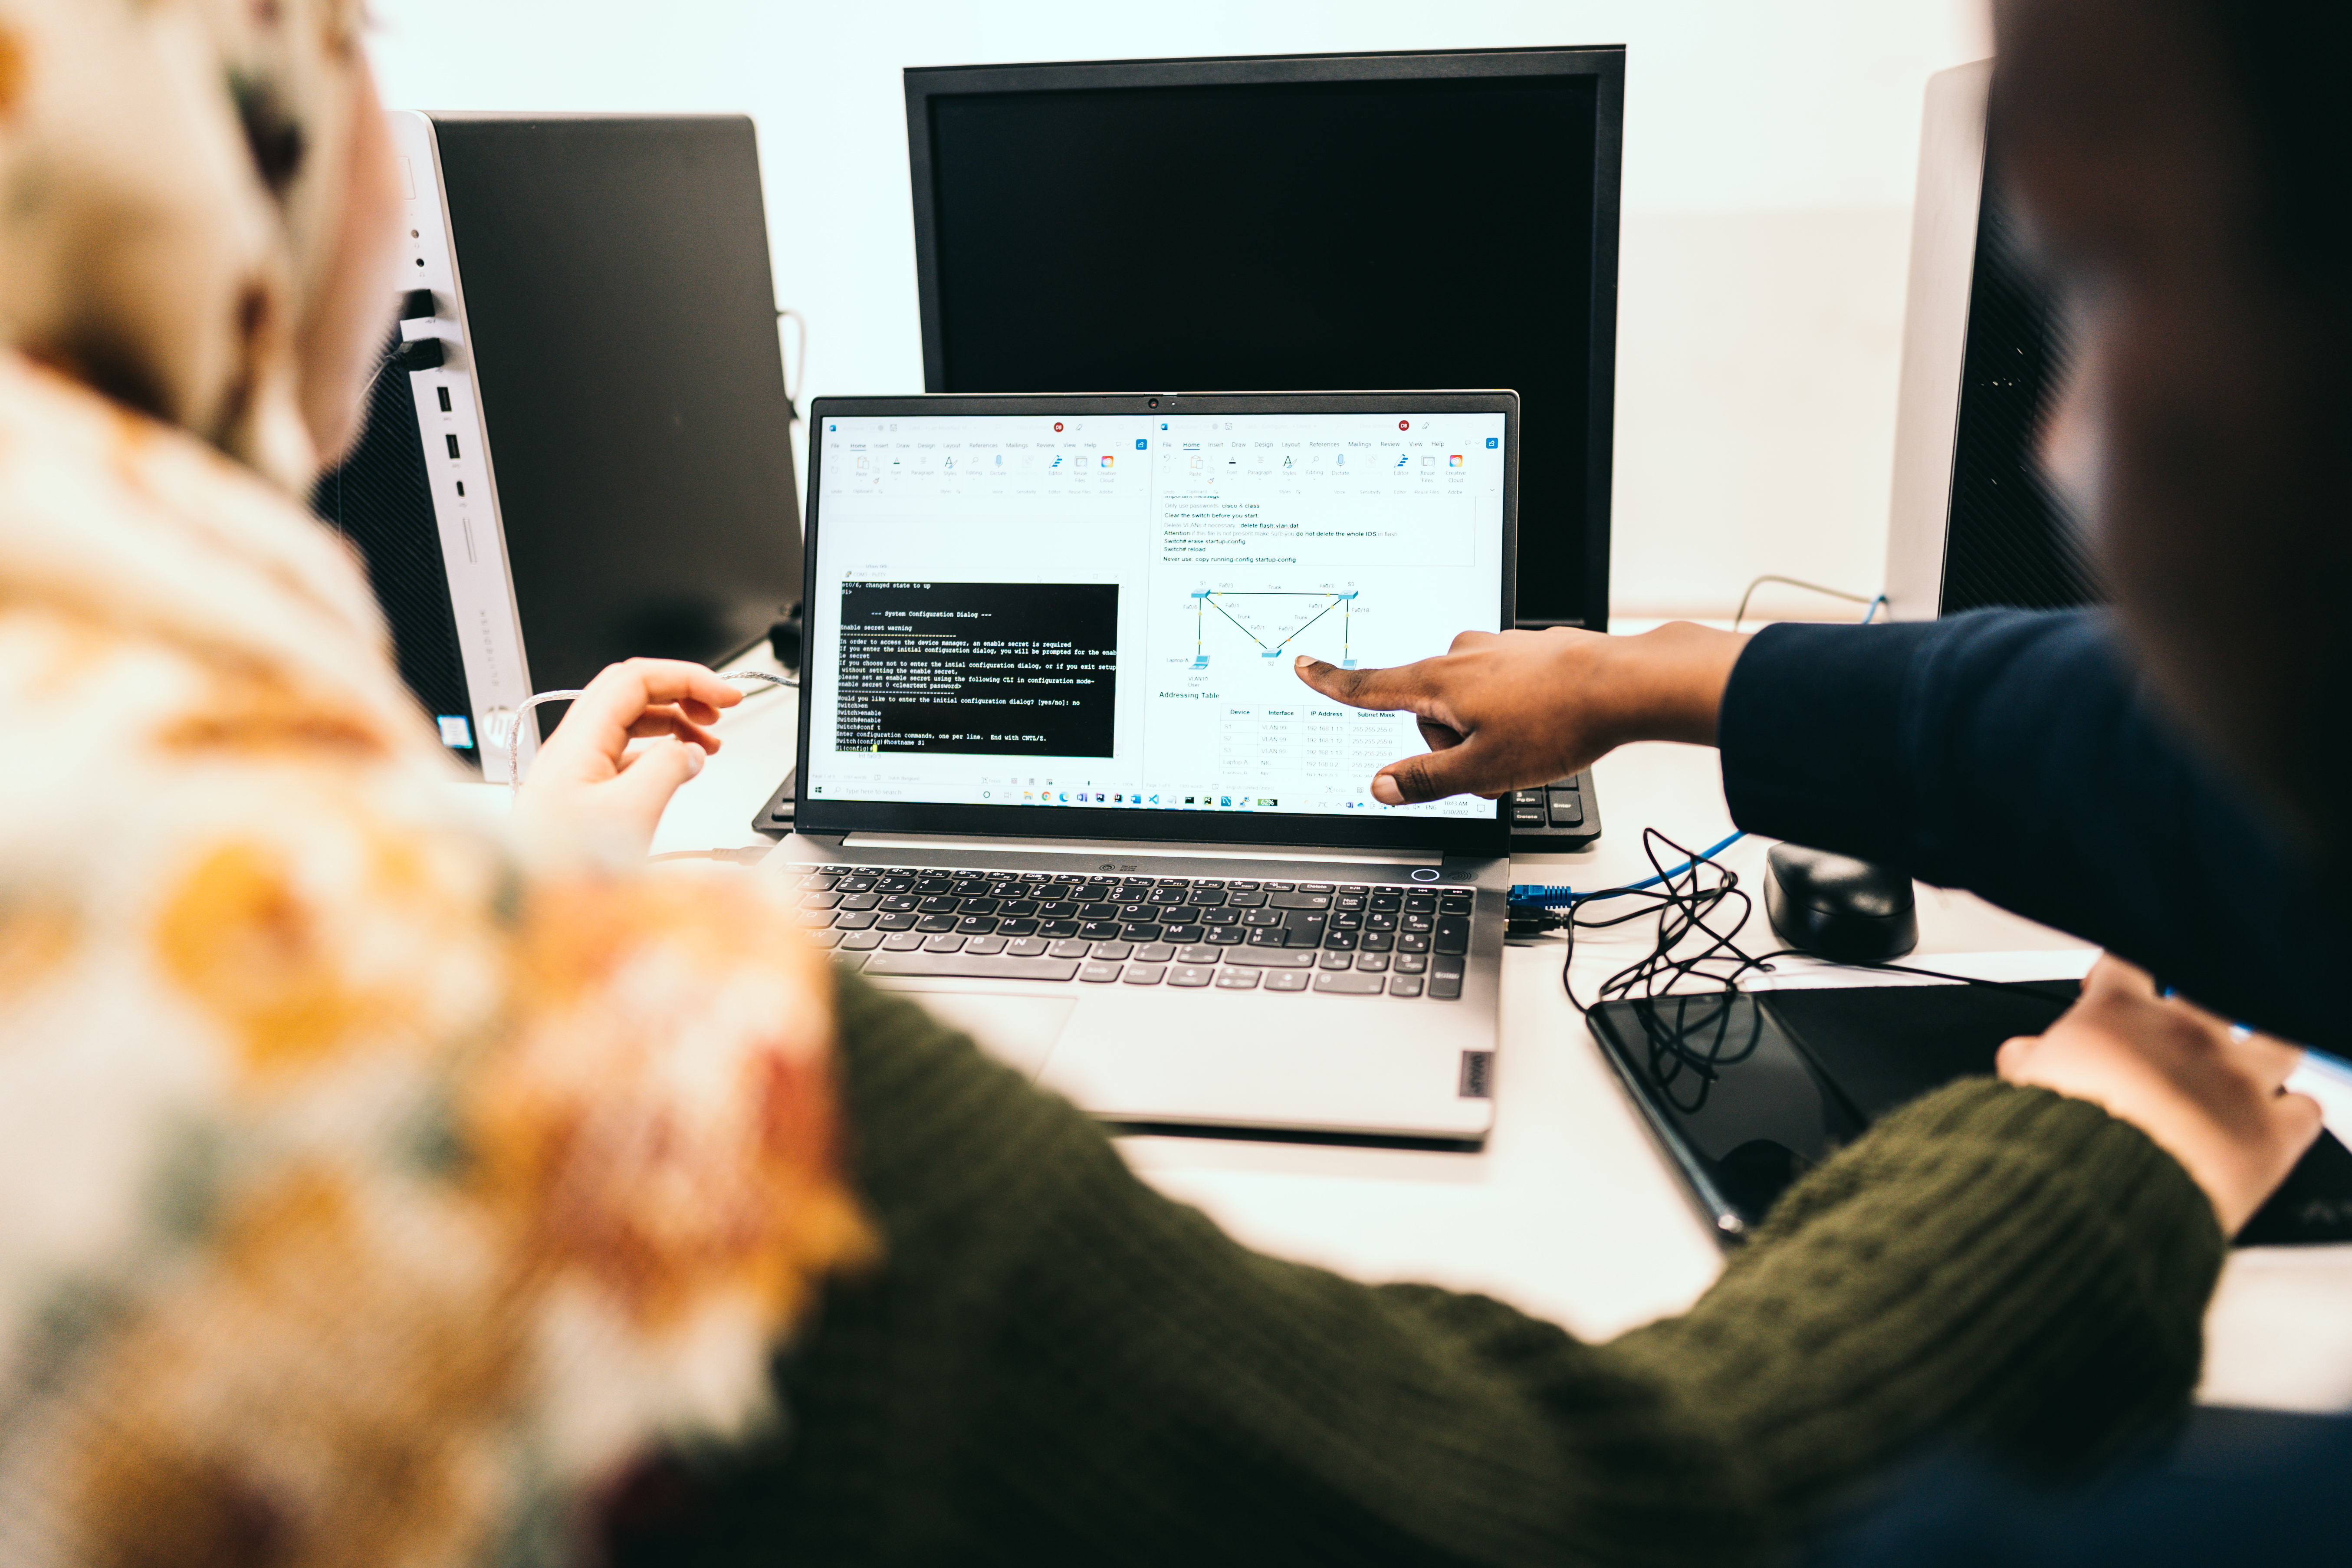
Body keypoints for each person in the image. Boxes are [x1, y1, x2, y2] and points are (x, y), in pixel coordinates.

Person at [0, 4, 2318, 1568]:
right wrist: (2100, 1144)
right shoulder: (503, 1057)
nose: (2063, 435)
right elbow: (1546, 1508)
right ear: (257, 142)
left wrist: (457, 868)